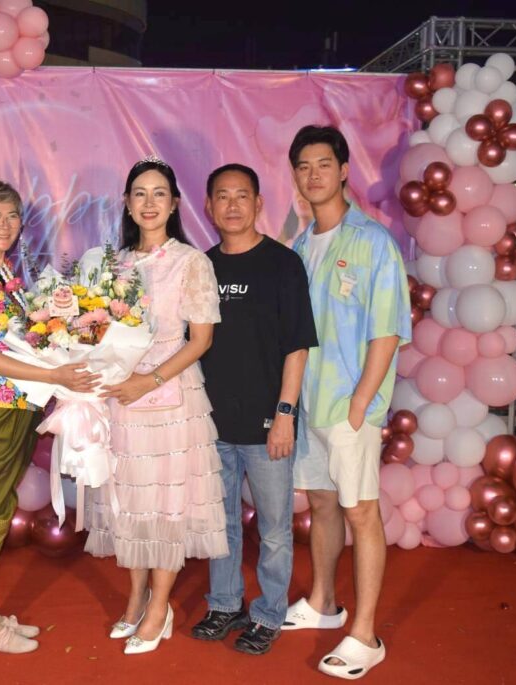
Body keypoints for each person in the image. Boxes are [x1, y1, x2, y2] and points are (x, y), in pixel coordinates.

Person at [0, 180, 99, 654]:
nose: (5, 224)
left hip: (10, 406)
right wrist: (54, 376)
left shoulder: (0, 271)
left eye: (12, 215)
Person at [85, 157, 229, 655]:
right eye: (140, 194)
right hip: (122, 399)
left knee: (167, 503)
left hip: (170, 397)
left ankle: (159, 607)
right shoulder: (112, 264)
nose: (149, 203)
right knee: (130, 501)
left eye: (159, 193)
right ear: (127, 204)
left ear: (174, 204)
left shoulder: (191, 262)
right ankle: (135, 599)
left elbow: (201, 340)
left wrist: (148, 380)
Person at [286, 126, 411, 680]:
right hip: (307, 404)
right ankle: (323, 602)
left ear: (342, 171)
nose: (313, 175)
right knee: (321, 503)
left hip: (349, 406)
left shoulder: (372, 241)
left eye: (323, 164)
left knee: (361, 511)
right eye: (303, 166)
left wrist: (362, 403)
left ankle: (365, 633)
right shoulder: (299, 245)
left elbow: (388, 328)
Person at [191, 163, 317, 655]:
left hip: (268, 425)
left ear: (258, 203)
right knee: (219, 525)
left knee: (275, 530)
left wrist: (285, 413)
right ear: (209, 206)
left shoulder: (283, 264)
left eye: (242, 195)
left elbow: (297, 346)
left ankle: (268, 613)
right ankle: (224, 604)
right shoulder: (201, 267)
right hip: (211, 423)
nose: (232, 205)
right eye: (222, 196)